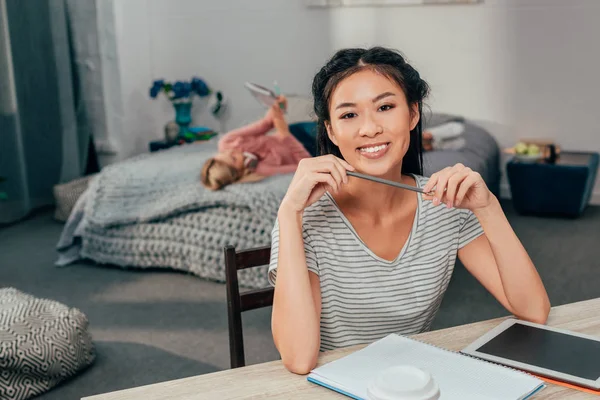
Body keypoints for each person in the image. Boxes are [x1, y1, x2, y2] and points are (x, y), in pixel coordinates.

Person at [268, 47, 550, 375]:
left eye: (385, 107)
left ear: (413, 114)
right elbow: (298, 359)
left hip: (414, 382)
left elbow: (534, 311)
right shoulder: (306, 218)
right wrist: (288, 213)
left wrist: (488, 207)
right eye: (349, 115)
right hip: (333, 383)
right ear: (331, 130)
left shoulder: (444, 206)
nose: (369, 128)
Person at [200, 95, 311, 190]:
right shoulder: (261, 170)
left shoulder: (227, 142)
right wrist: (286, 136)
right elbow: (304, 166)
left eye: (225, 153)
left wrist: (277, 108)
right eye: (234, 159)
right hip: (308, 151)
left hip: (295, 131)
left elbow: (265, 124)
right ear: (239, 173)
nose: (235, 151)